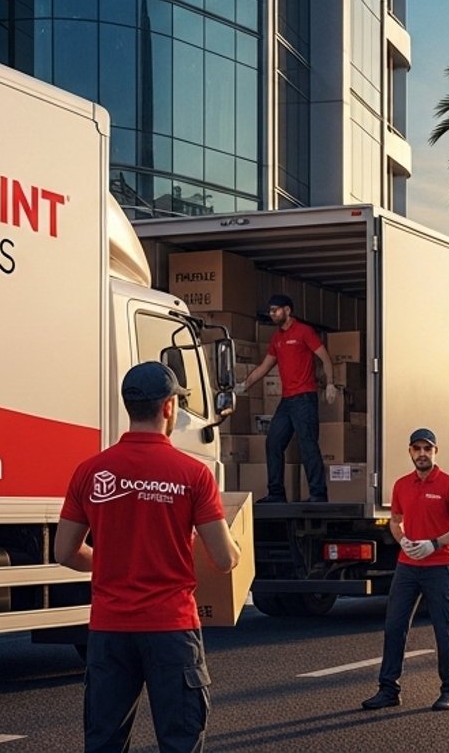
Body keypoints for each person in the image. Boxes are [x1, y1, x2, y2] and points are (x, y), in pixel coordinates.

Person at [55, 361, 240, 753]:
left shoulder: (90, 471)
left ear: (129, 407)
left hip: (109, 629)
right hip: (171, 629)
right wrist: (237, 548)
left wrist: (108, 562)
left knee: (104, 742)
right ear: (170, 407)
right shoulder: (193, 474)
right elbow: (223, 559)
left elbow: (64, 552)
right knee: (180, 740)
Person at [362, 428, 449, 712]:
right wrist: (404, 540)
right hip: (407, 568)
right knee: (394, 627)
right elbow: (395, 520)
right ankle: (388, 690)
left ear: (435, 452)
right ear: (410, 451)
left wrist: (434, 543)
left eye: (427, 449)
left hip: (438, 567)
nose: (422, 453)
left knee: (444, 630)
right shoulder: (401, 485)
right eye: (417, 448)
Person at [237, 292, 337, 502]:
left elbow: (325, 357)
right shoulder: (277, 338)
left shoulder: (304, 331)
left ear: (287, 310)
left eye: (275, 310)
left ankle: (318, 495)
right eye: (271, 311)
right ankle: (276, 493)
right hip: (287, 400)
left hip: (304, 398)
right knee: (273, 442)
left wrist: (330, 384)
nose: (272, 314)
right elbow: (265, 366)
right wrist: (243, 385)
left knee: (307, 445)